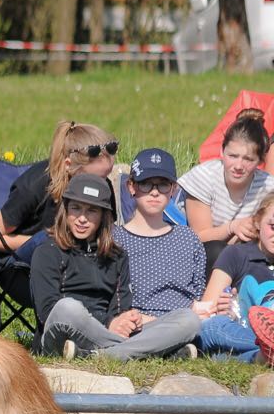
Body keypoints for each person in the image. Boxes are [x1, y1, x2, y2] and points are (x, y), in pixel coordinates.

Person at [30, 174, 198, 360]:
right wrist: (109, 323)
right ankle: (148, 352)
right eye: (76, 209)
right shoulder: (48, 251)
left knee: (188, 320)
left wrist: (124, 321)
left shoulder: (116, 256)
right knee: (68, 307)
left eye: (92, 211)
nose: (82, 219)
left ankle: (96, 356)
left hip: (106, 332)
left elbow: (120, 308)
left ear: (103, 216)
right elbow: (47, 312)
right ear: (65, 210)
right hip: (63, 332)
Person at [111, 147, 203, 351]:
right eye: (146, 183)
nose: (154, 191)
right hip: (134, 323)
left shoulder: (187, 238)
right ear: (131, 187)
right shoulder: (115, 239)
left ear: (173, 190)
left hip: (181, 322)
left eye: (163, 185)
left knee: (197, 322)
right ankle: (131, 351)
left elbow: (198, 294)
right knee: (189, 322)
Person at [0, 121, 118, 264]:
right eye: (96, 178)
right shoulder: (33, 186)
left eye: (105, 176)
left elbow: (107, 233)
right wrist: (53, 243)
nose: (102, 184)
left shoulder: (101, 186)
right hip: (25, 264)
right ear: (68, 166)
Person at [181, 108, 272, 275]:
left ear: (260, 161)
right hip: (204, 255)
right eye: (233, 156)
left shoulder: (267, 186)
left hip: (249, 252)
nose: (238, 166)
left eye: (248, 159)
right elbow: (198, 238)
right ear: (222, 151)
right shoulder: (204, 176)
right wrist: (232, 227)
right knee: (218, 250)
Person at [196, 193, 274, 363]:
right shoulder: (237, 254)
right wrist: (221, 307)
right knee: (212, 327)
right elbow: (206, 310)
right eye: (273, 227)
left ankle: (262, 357)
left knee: (220, 356)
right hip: (239, 330)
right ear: (258, 222)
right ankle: (264, 351)